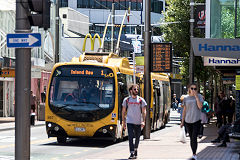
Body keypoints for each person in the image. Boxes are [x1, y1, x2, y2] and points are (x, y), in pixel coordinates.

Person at [122, 84, 147, 159]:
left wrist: (143, 121)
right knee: (130, 137)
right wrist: (123, 122)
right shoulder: (126, 100)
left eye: (137, 89)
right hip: (130, 121)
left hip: (138, 122)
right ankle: (132, 152)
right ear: (130, 91)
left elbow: (144, 111)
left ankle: (135, 149)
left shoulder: (141, 100)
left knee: (137, 137)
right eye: (135, 89)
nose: (136, 91)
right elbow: (123, 111)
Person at [180, 83, 204, 160]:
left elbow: (200, 107)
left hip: (196, 120)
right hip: (187, 121)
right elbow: (184, 110)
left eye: (195, 89)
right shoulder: (186, 98)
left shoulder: (199, 96)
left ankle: (194, 154)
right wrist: (182, 121)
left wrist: (196, 97)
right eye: (192, 88)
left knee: (194, 137)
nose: (193, 90)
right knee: (191, 138)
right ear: (189, 89)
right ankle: (193, 152)